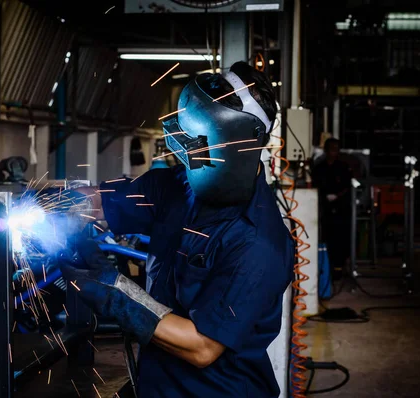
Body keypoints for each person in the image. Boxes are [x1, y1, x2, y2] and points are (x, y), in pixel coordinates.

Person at [60, 62, 295, 397]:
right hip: (158, 384)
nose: (185, 149)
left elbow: (201, 347)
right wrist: (53, 206)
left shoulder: (259, 244)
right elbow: (100, 202)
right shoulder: (178, 186)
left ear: (231, 144)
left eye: (198, 141)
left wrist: (114, 291)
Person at [311, 138, 352, 279]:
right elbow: (315, 185)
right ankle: (325, 269)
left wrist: (337, 196)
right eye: (331, 149)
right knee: (325, 238)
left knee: (340, 239)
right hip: (324, 209)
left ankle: (339, 269)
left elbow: (347, 186)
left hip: (340, 210)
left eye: (336, 149)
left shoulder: (343, 167)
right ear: (326, 150)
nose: (333, 152)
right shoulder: (319, 168)